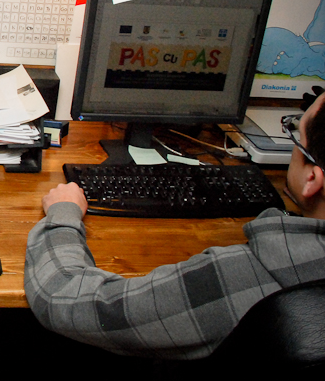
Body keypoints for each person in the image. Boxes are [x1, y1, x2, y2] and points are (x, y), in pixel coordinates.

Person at [24, 92, 325, 360]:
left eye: (295, 136)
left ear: (312, 179)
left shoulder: (252, 276)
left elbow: (64, 299)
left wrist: (63, 215)